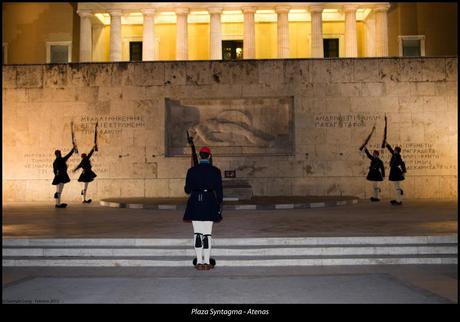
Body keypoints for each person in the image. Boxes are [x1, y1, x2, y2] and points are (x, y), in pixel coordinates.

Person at [183, 146, 223, 271]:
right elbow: (219, 191)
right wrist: (218, 203)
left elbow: (187, 190)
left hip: (195, 201)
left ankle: (199, 261)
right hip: (209, 202)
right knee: (207, 234)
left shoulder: (192, 171)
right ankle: (207, 262)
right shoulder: (215, 171)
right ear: (210, 156)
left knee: (197, 233)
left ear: (200, 156)